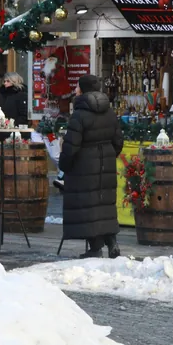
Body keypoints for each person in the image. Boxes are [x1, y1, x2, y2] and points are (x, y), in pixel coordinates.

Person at [59, 74, 124, 259]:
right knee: (105, 204)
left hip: (84, 165)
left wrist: (65, 165)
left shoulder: (79, 114)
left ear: (83, 89)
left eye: (78, 87)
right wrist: (109, 155)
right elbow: (118, 140)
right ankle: (112, 242)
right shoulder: (109, 112)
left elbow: (72, 145)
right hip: (106, 163)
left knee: (88, 205)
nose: (75, 90)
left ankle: (95, 247)